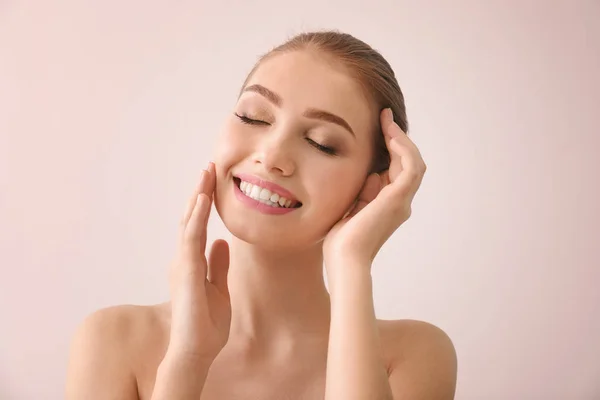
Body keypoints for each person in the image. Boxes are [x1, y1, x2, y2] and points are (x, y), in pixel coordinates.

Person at [65, 30, 457, 399]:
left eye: (322, 144)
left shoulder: (412, 355)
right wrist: (186, 361)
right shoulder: (112, 341)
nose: (271, 156)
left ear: (373, 186)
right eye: (254, 117)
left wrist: (352, 263)